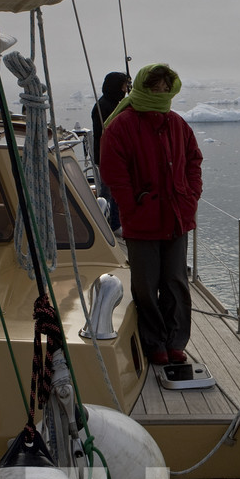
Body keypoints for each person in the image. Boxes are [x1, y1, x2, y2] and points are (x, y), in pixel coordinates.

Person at [98, 63, 202, 367]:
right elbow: (113, 172)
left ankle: (175, 341)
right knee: (145, 284)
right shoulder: (123, 125)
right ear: (144, 87)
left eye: (165, 87)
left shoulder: (178, 124)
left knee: (175, 282)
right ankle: (154, 341)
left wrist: (191, 194)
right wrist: (132, 205)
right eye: (156, 86)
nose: (161, 91)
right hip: (142, 219)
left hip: (176, 216)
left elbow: (193, 160)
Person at [90, 70, 132, 230]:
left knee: (113, 191)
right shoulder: (106, 106)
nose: (125, 90)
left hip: (112, 155)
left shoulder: (110, 104)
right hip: (108, 155)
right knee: (110, 192)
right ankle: (112, 224)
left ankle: (113, 222)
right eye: (123, 86)